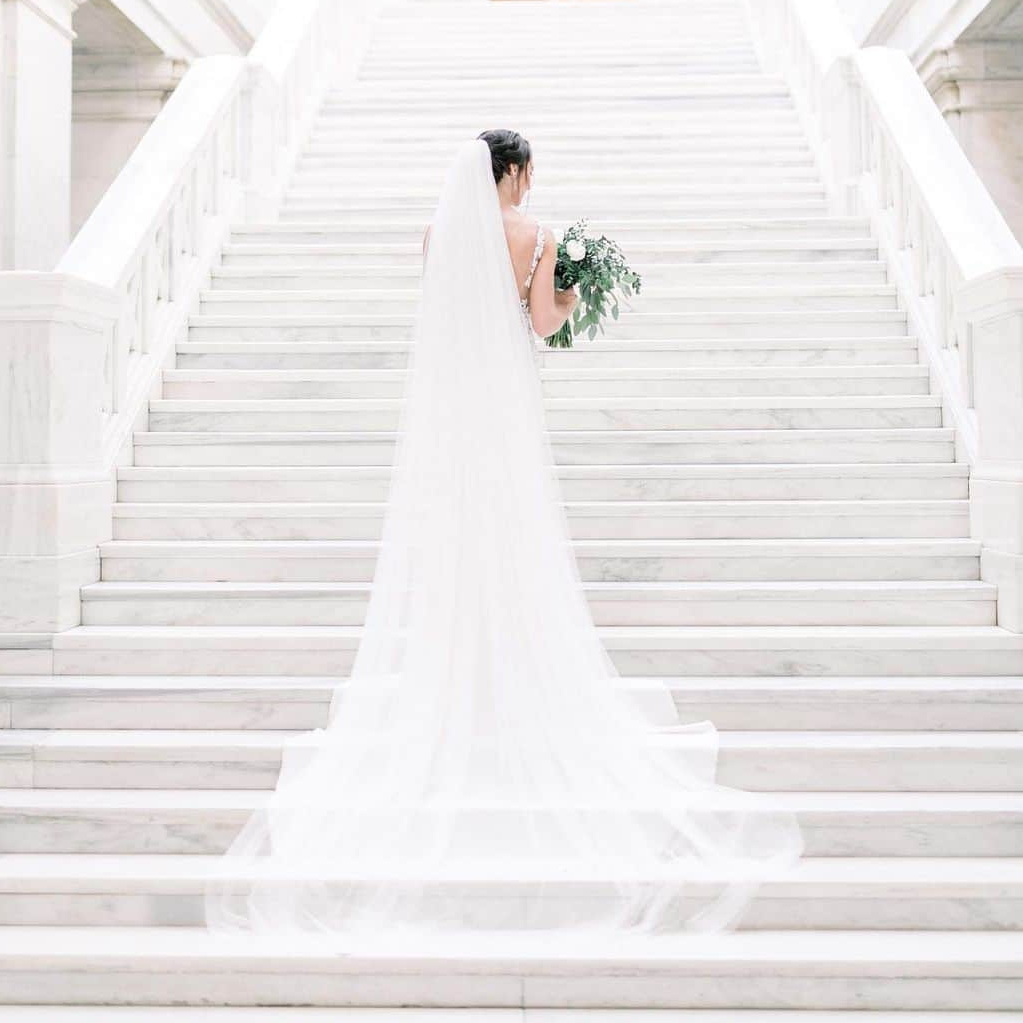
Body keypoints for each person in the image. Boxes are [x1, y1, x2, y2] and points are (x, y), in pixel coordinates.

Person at [205, 133, 803, 947]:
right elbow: (545, 324)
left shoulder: (435, 235)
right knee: (519, 542)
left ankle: (458, 676)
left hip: (450, 423)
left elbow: (447, 321)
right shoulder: (535, 234)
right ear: (514, 173)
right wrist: (574, 281)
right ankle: (516, 673)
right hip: (507, 419)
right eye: (527, 175)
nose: (528, 187)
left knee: (458, 549)